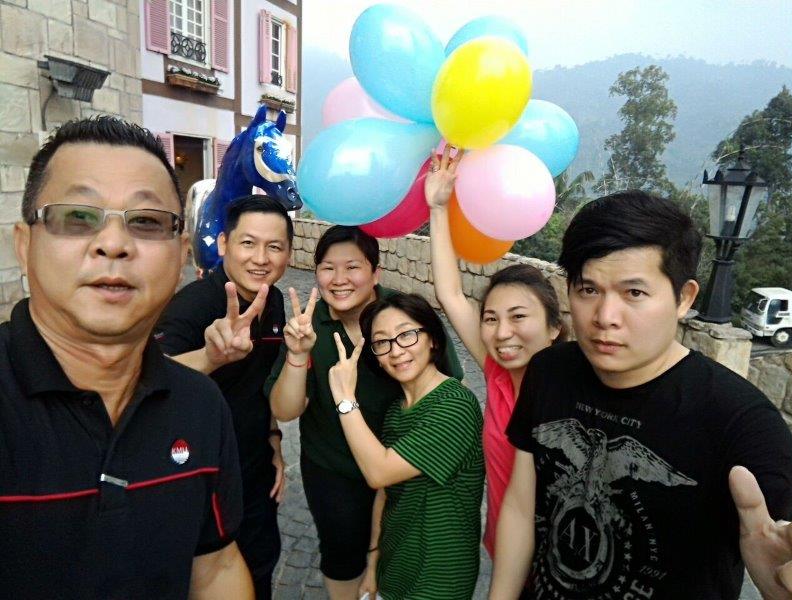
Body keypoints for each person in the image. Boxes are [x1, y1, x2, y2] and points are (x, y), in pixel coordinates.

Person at [489, 190, 792, 599]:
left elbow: (782, 539)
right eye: (588, 290)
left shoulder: (740, 421)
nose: (605, 317)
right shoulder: (550, 370)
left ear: (683, 298)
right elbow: (520, 503)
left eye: (634, 293)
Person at [2, 117, 253, 599]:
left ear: (181, 256)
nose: (114, 244)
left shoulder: (201, 405)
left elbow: (216, 565)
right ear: (25, 245)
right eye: (78, 217)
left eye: (146, 222)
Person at [266, 225, 465, 599]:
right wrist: (297, 354)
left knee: (406, 554)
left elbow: (448, 385)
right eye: (328, 268)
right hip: (334, 469)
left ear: (376, 273)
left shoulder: (404, 319)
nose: (339, 279)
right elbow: (285, 409)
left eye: (352, 267)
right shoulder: (308, 325)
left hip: (406, 465)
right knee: (342, 557)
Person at [425, 145, 564, 558]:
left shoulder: (573, 393)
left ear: (554, 328)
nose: (503, 333)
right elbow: (450, 294)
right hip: (503, 546)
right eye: (490, 318)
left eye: (519, 316)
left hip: (556, 565)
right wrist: (438, 207)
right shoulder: (497, 373)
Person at [155, 195, 291, 599]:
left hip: (253, 468)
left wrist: (274, 439)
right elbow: (147, 377)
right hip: (198, 474)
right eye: (248, 243)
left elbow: (261, 382)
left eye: (274, 246)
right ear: (224, 244)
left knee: (260, 565)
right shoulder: (193, 305)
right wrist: (210, 357)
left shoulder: (273, 301)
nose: (261, 259)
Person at [327, 292, 484, 600]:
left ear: (433, 339)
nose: (396, 350)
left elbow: (379, 473)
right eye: (382, 342)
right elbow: (386, 493)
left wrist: (345, 398)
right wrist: (374, 562)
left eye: (407, 335)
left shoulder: (455, 405)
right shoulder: (396, 412)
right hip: (394, 570)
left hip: (439, 579)